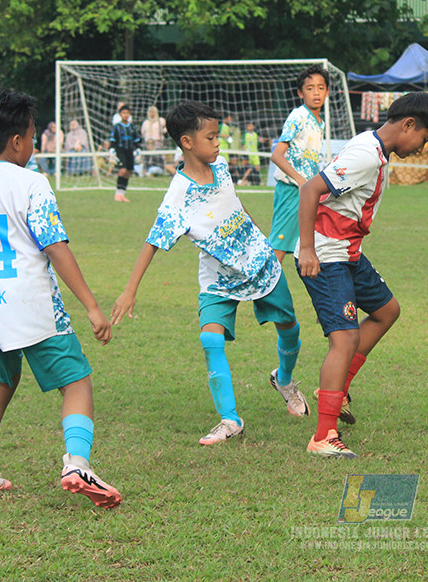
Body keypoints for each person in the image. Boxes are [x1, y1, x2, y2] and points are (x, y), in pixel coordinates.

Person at [0, 88, 121, 509]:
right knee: (75, 381)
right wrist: (92, 306)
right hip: (33, 305)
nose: (34, 144)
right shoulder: (31, 182)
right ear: (18, 141)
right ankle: (77, 464)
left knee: (1, 379)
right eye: (33, 136)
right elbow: (55, 246)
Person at [111, 101, 309, 447]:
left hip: (259, 262)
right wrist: (130, 291)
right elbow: (152, 242)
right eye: (211, 136)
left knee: (289, 328)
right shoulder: (178, 196)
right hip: (219, 277)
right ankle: (230, 419)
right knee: (210, 339)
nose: (219, 143)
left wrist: (257, 231)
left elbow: (233, 202)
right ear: (187, 142)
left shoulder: (221, 167)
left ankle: (286, 380)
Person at [296, 92, 428, 458]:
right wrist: (308, 249)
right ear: (408, 125)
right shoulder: (366, 154)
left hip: (349, 253)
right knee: (344, 340)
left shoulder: (375, 150)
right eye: (423, 139)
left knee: (387, 311)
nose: (420, 148)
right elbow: (310, 188)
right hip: (327, 256)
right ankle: (323, 435)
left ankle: (337, 388)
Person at [269, 64, 328, 263]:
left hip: (307, 192)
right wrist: (301, 181)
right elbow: (277, 155)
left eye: (320, 87)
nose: (316, 93)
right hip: (292, 190)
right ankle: (261, 291)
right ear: (300, 93)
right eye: (310, 88)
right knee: (278, 247)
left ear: (327, 91)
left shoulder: (320, 123)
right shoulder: (298, 116)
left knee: (311, 246)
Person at [110, 105, 141, 201]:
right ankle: (117, 193)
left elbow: (136, 140)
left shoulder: (132, 127)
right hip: (120, 150)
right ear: (120, 114)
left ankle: (122, 194)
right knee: (122, 171)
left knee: (128, 172)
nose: (126, 115)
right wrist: (112, 150)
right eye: (124, 113)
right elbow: (113, 140)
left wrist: (138, 149)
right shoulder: (117, 127)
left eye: (127, 113)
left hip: (130, 151)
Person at [140, 105, 168, 176]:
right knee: (147, 157)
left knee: (160, 156)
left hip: (158, 142)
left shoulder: (160, 121)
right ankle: (145, 170)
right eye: (150, 112)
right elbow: (142, 132)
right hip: (148, 142)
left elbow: (167, 127)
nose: (151, 114)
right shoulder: (146, 122)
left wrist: (162, 132)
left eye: (153, 112)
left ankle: (162, 170)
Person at [239, 121, 262, 186]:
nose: (249, 127)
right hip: (248, 154)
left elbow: (257, 144)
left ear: (254, 127)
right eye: (248, 126)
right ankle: (245, 180)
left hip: (255, 154)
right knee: (248, 168)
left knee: (257, 168)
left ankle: (258, 182)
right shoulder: (245, 135)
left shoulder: (255, 135)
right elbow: (243, 144)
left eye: (250, 126)